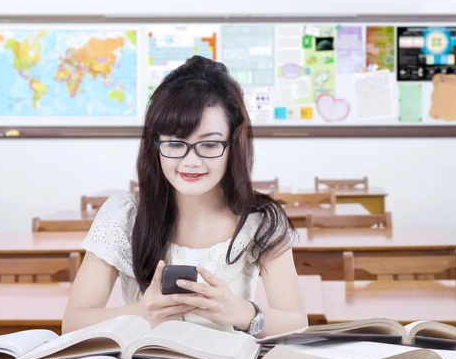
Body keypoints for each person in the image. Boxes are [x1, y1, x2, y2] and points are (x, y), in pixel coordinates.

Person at [63, 56, 307, 338]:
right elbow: (73, 323)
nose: (191, 162)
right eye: (175, 143)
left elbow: (297, 324)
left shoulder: (262, 220)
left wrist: (237, 311)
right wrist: (142, 313)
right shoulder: (124, 214)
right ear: (156, 145)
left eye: (210, 143)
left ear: (233, 145)